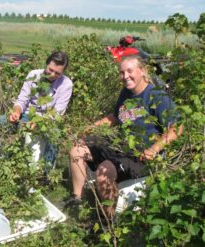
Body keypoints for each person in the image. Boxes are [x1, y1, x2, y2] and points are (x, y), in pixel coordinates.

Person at [68, 55, 183, 218]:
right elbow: (116, 117)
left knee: (104, 171)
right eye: (122, 72)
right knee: (77, 150)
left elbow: (177, 127)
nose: (125, 76)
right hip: (121, 146)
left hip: (141, 155)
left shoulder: (156, 96)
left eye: (130, 71)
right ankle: (76, 199)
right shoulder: (126, 92)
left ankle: (109, 221)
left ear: (142, 71)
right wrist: (91, 128)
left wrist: (153, 149)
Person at [0, 51, 73, 166]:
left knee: (54, 136)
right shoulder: (33, 75)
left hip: (48, 121)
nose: (52, 74)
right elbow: (22, 100)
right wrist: (16, 112)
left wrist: (38, 122)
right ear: (46, 64)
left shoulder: (66, 84)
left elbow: (57, 112)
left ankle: (46, 175)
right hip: (26, 115)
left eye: (57, 73)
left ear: (63, 72)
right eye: (50, 70)